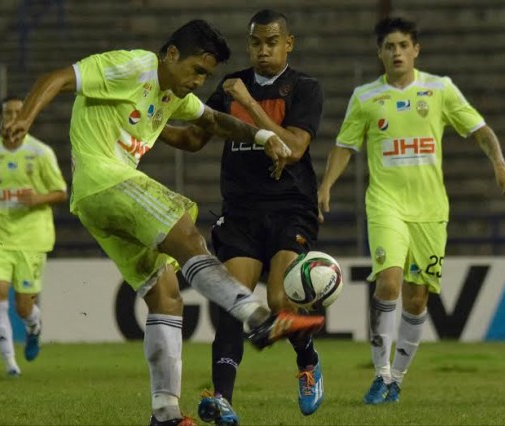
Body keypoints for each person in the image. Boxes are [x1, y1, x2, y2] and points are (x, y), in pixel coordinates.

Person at [4, 19, 324, 426]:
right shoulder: (134, 66)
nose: (198, 80)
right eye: (196, 70)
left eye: (206, 74)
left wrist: (263, 138)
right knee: (186, 234)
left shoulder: (172, 92)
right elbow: (59, 77)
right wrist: (26, 119)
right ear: (171, 54)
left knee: (166, 296)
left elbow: (208, 125)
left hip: (95, 202)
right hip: (107, 181)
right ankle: (258, 321)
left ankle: (165, 414)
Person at [317, 16, 505, 405]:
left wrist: (499, 163)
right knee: (388, 284)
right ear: (379, 53)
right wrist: (326, 185)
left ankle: (397, 378)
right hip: (385, 204)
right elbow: (344, 146)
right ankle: (379, 374)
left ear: (416, 50)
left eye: (402, 45)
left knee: (416, 299)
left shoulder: (440, 89)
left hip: (430, 209)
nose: (396, 52)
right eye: (389, 46)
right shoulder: (364, 96)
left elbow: (480, 129)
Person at [160, 9, 324, 424]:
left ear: (289, 43)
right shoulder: (227, 85)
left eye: (271, 42)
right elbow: (195, 139)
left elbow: (294, 149)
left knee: (279, 299)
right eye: (255, 43)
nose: (263, 51)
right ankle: (223, 399)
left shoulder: (304, 87)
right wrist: (151, 128)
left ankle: (307, 360)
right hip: (242, 212)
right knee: (232, 301)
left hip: (291, 207)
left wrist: (249, 102)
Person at [0, 96, 68, 377]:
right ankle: (10, 364)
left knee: (24, 306)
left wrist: (37, 198)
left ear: (27, 117)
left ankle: (33, 327)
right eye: (8, 113)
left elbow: (61, 192)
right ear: (1, 117)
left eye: (18, 112)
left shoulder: (41, 153)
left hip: (32, 235)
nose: (13, 117)